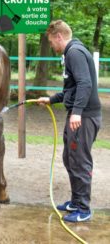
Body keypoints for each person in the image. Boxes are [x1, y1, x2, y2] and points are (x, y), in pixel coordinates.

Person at [38, 20, 101, 222]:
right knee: (70, 158)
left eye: (52, 42)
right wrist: (51, 99)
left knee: (80, 161)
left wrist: (77, 112)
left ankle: (83, 209)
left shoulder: (74, 52)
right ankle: (76, 201)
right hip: (79, 114)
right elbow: (71, 89)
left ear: (59, 36)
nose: (52, 46)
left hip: (84, 117)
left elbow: (85, 83)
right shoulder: (71, 53)